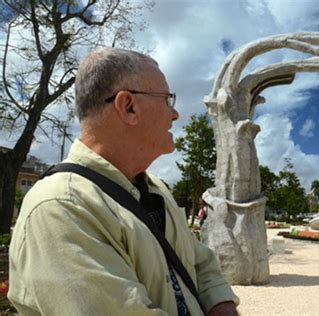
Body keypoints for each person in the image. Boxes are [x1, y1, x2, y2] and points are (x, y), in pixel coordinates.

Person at [8, 47, 239, 315]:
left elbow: (198, 261)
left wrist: (222, 305)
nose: (174, 114)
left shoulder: (157, 189)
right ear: (128, 106)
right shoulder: (61, 206)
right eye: (167, 100)